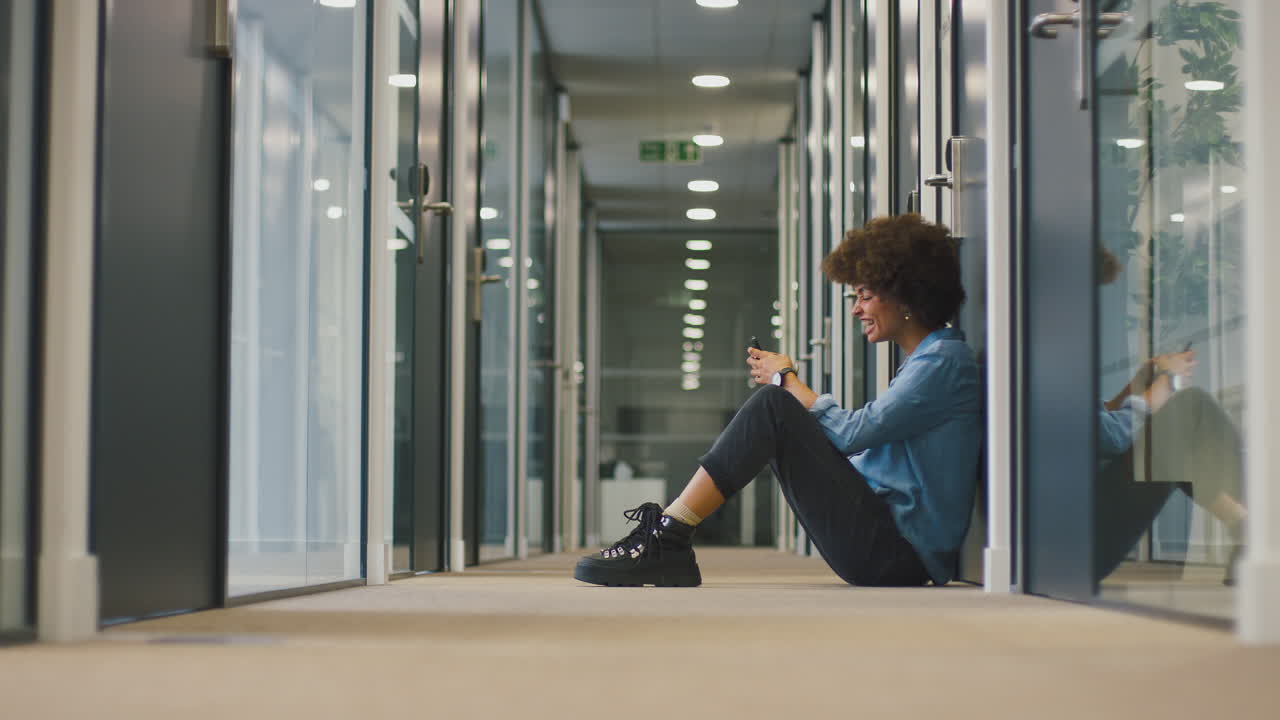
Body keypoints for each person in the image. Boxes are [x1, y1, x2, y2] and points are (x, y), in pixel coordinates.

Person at [573, 214, 984, 588]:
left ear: (905, 294)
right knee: (775, 405)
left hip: (897, 555)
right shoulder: (926, 362)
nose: (857, 309)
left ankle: (669, 534)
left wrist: (787, 380)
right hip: (884, 542)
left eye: (864, 295)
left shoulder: (943, 362)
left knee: (773, 403)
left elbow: (853, 434)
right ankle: (670, 533)